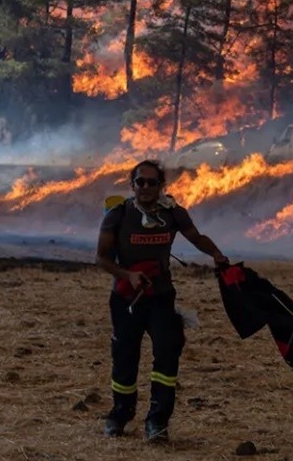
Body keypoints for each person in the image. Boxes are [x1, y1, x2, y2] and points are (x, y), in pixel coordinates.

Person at [96, 159, 229, 442]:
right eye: (140, 182)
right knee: (124, 357)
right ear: (132, 185)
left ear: (161, 186)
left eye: (152, 182)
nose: (145, 187)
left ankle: (157, 422)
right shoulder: (118, 215)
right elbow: (101, 258)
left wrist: (216, 254)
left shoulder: (173, 213)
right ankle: (120, 415)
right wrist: (128, 275)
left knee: (168, 354)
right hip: (125, 298)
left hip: (161, 297)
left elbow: (196, 237)